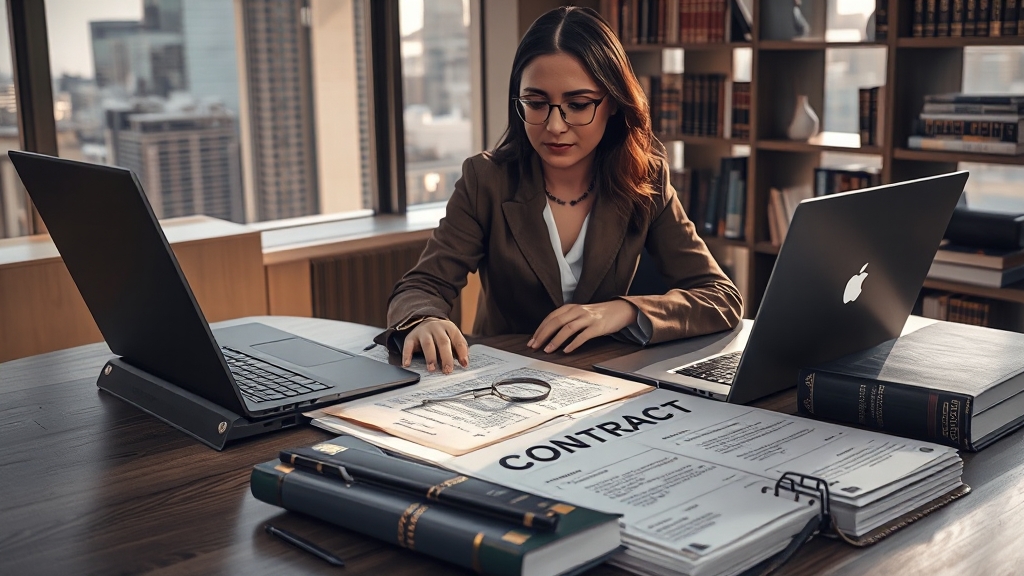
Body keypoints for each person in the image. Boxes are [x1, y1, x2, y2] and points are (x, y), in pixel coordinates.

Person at [374, 6, 742, 373]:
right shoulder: (486, 179)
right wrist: (424, 320)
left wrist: (624, 311)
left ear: (612, 102)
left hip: (605, 380)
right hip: (503, 380)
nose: (554, 125)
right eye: (535, 103)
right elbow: (421, 287)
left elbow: (720, 297)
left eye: (578, 105)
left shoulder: (647, 180)